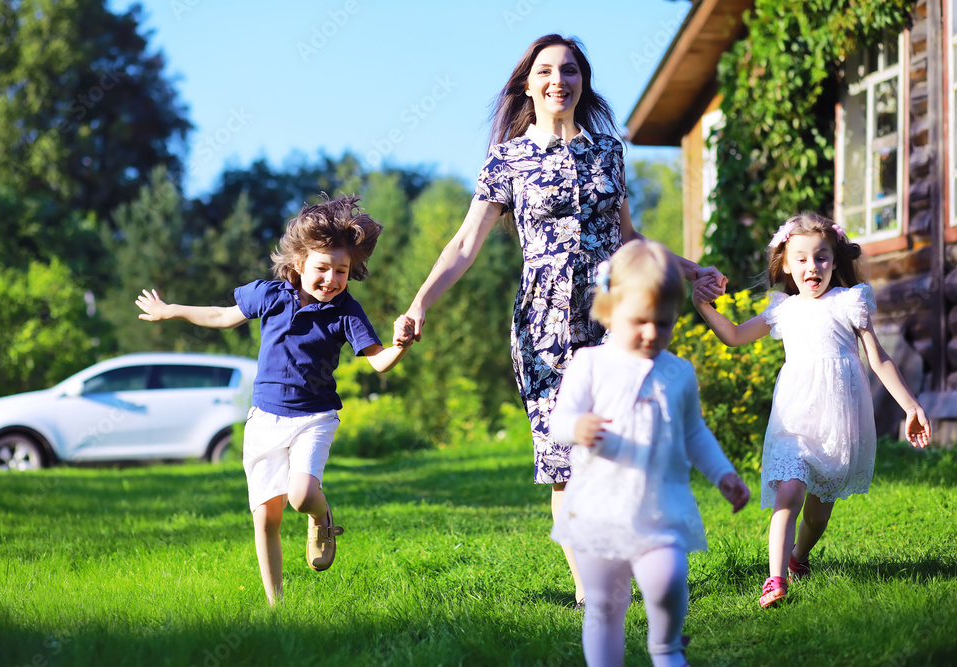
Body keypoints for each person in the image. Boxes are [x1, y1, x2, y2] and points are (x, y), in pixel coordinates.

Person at [392, 34, 726, 608]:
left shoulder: (608, 153)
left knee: (619, 446)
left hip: (611, 320)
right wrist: (420, 301)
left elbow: (628, 240)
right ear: (528, 83)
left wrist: (686, 269)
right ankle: (588, 592)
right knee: (562, 457)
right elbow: (466, 243)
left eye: (569, 70)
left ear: (582, 82)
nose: (558, 80)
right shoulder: (507, 159)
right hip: (543, 327)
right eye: (545, 70)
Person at [136, 195, 412, 605]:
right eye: (322, 269)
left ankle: (321, 516)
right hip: (265, 419)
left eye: (342, 271)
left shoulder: (345, 312)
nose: (331, 279)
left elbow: (380, 362)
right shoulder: (269, 295)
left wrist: (400, 344)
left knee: (300, 495)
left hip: (315, 417)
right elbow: (219, 316)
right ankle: (276, 604)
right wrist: (171, 309)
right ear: (299, 264)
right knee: (266, 517)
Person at [691, 212, 931, 609]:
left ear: (834, 262)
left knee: (817, 516)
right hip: (795, 419)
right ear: (785, 264)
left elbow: (879, 359)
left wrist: (911, 406)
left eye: (821, 257)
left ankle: (798, 558)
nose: (811, 267)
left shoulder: (849, 302)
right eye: (800, 258)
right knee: (790, 491)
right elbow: (733, 336)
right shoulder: (782, 311)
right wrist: (705, 309)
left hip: (838, 424)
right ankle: (775, 579)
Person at [549, 241, 750, 667]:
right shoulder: (590, 364)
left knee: (668, 580)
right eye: (639, 321)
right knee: (604, 604)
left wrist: (723, 474)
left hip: (660, 505)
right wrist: (576, 427)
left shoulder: (677, 372)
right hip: (600, 507)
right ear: (608, 310)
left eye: (663, 323)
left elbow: (694, 432)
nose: (650, 333)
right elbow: (559, 421)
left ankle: (667, 649)